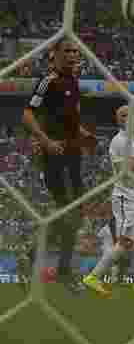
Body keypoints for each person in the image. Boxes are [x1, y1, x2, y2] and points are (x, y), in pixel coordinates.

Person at [21, 38, 96, 294]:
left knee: (76, 213)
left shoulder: (73, 81)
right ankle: (59, 269)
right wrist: (46, 141)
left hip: (73, 154)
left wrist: (84, 134)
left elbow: (69, 120)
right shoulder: (48, 81)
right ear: (54, 54)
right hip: (55, 155)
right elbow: (27, 115)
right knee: (69, 212)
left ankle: (36, 257)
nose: (73, 55)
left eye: (76, 51)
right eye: (67, 51)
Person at [82, 105, 134, 296]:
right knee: (126, 243)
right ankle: (93, 277)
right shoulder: (118, 141)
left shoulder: (131, 140)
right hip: (124, 197)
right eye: (122, 115)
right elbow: (125, 169)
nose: (125, 118)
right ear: (117, 120)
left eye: (128, 115)